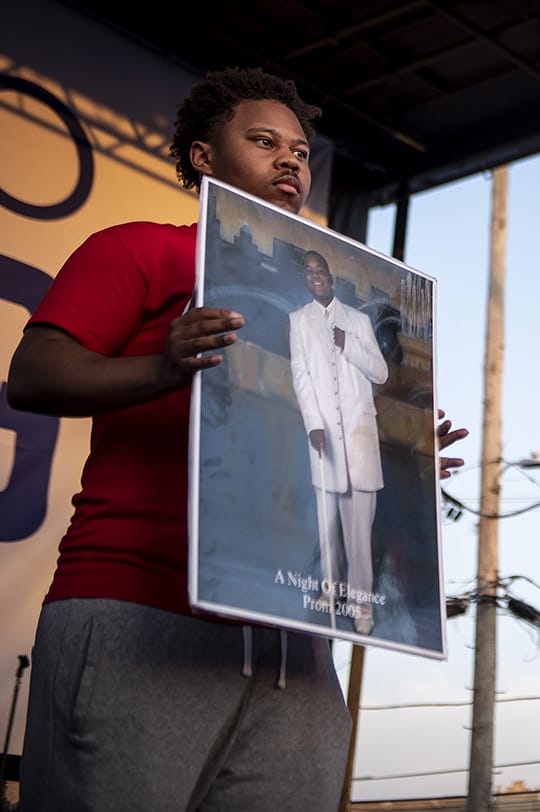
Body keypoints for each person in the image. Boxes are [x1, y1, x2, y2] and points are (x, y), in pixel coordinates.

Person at [6, 67, 466, 810]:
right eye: (264, 141)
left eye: (302, 150)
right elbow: (34, 375)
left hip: (296, 640)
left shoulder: (335, 301)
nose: (292, 161)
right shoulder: (141, 250)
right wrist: (163, 363)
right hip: (140, 609)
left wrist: (395, 450)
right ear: (203, 158)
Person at [289, 249, 387, 635]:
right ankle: (329, 591)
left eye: (320, 269)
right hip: (324, 437)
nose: (315, 275)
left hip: (361, 441)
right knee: (326, 524)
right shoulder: (297, 321)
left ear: (330, 274)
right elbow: (301, 375)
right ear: (305, 278)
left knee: (359, 531)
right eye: (309, 271)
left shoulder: (358, 320)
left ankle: (362, 604)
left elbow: (379, 372)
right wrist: (313, 423)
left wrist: (349, 344)